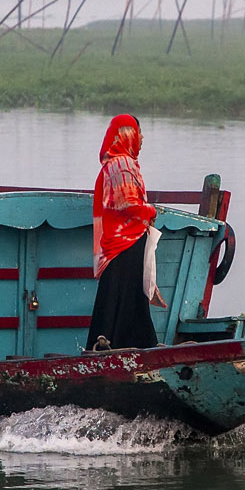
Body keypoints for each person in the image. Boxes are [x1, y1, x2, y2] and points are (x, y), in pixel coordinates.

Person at [86, 113, 164, 351]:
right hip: (126, 241)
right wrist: (151, 210)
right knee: (125, 294)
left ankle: (111, 343)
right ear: (128, 135)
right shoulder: (122, 163)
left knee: (119, 295)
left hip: (119, 240)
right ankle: (135, 345)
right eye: (139, 132)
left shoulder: (113, 164)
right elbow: (128, 204)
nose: (142, 138)